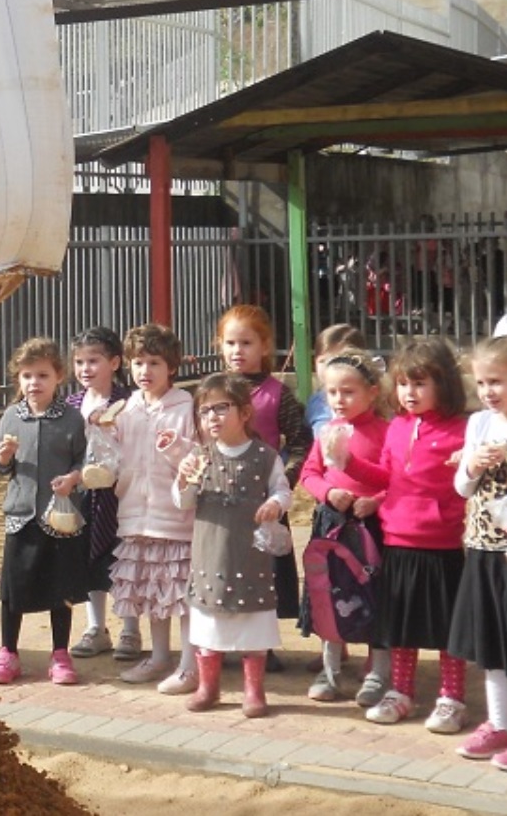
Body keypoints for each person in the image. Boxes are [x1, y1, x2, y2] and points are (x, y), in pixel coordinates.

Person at [363, 337, 469, 730]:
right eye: (404, 383)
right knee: (400, 626)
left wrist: (470, 462)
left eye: (420, 383)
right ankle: (401, 692)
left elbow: (469, 483)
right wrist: (347, 462)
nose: (410, 392)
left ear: (444, 384)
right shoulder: (395, 428)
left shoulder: (463, 430)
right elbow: (383, 476)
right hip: (397, 542)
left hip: (441, 546)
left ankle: (452, 698)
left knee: (448, 630)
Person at [174, 373, 293, 717]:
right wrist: (183, 478)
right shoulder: (199, 456)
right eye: (204, 410)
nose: (211, 416)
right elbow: (183, 501)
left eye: (220, 408)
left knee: (253, 627)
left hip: (250, 558)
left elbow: (282, 490)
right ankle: (208, 687)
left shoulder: (265, 456)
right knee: (208, 626)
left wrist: (276, 504)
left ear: (244, 412)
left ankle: (254, 691)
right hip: (210, 556)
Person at [0, 338, 88, 686]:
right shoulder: (11, 416)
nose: (34, 383)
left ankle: (60, 653)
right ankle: (8, 652)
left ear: (59, 376)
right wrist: (2, 457)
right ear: (18, 379)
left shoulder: (72, 420)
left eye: (42, 374)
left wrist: (74, 478)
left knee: (60, 588)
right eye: (27, 375)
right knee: (13, 588)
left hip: (59, 517)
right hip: (20, 515)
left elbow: (84, 460)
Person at [215, 304, 311, 672]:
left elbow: (301, 440)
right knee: (223, 570)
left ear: (265, 346)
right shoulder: (212, 390)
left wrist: (284, 481)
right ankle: (221, 642)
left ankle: (261, 646)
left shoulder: (277, 394)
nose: (237, 350)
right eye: (230, 342)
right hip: (222, 503)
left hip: (264, 505)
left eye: (246, 342)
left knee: (264, 574)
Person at [106, 323, 198, 694]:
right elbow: (114, 456)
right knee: (151, 591)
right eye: (138, 363)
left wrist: (175, 448)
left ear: (171, 366)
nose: (145, 371)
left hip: (174, 518)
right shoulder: (126, 408)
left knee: (181, 595)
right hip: (134, 514)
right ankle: (160, 656)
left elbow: (196, 461)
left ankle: (190, 664)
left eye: (154, 363)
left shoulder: (185, 406)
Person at [296, 350, 390, 706]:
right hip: (332, 526)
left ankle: (378, 671)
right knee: (328, 595)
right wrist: (328, 492)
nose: (339, 399)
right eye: (332, 392)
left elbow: (397, 479)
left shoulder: (385, 432)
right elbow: (309, 474)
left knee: (376, 598)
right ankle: (330, 669)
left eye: (348, 391)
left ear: (372, 392)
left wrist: (377, 501)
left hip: (373, 528)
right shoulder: (328, 431)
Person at [448, 336, 507, 764]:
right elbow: (461, 487)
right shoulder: (479, 424)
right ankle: (499, 723)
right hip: (484, 546)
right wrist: (472, 464)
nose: (489, 391)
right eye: (483, 381)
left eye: (498, 381)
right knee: (492, 643)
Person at [65, 326, 132, 661]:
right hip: (85, 494)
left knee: (125, 559)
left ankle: (131, 627)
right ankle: (96, 627)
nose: (85, 369)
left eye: (94, 360)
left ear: (115, 362)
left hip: (123, 493)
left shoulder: (129, 402)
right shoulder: (71, 404)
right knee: (89, 558)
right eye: (79, 362)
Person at [304, 323, 367, 440]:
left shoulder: (367, 399)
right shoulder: (315, 402)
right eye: (323, 361)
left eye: (336, 360)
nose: (329, 366)